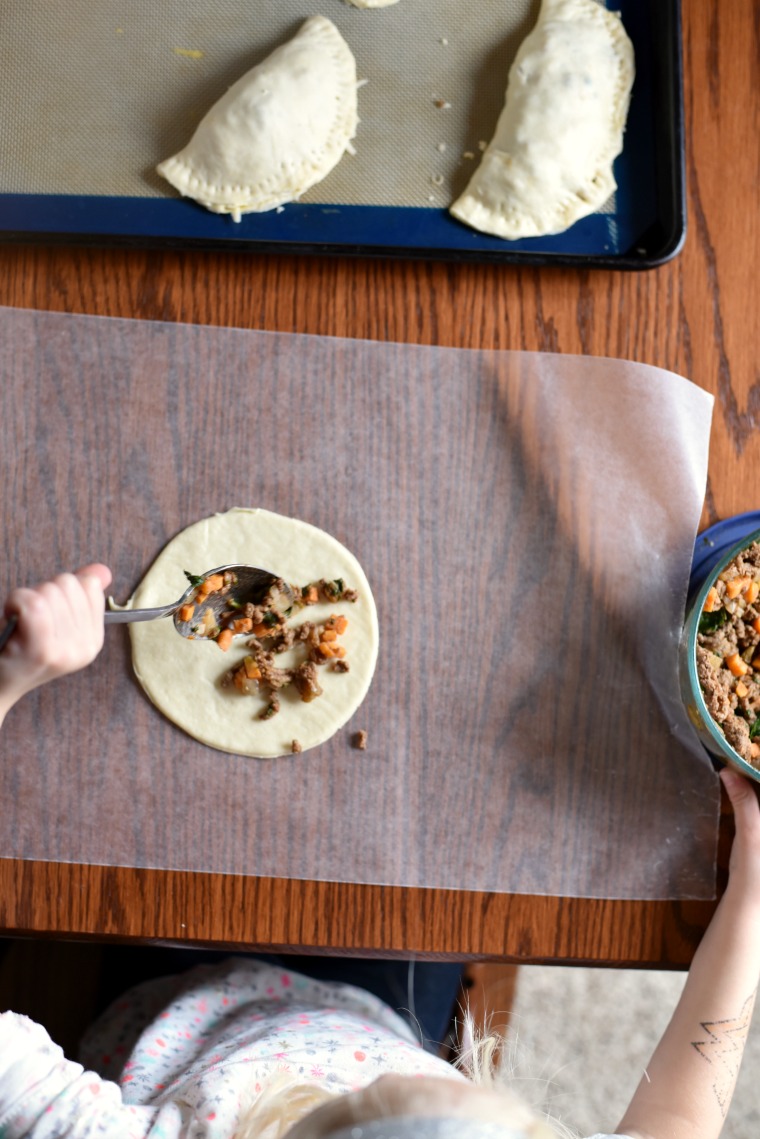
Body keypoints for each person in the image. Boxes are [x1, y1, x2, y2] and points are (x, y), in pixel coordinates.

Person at [1, 567, 759, 1139]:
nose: (358, 1088)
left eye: (357, 1101)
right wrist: (753, 889)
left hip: (175, 990)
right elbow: (677, 1123)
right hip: (377, 1006)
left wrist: (14, 677)